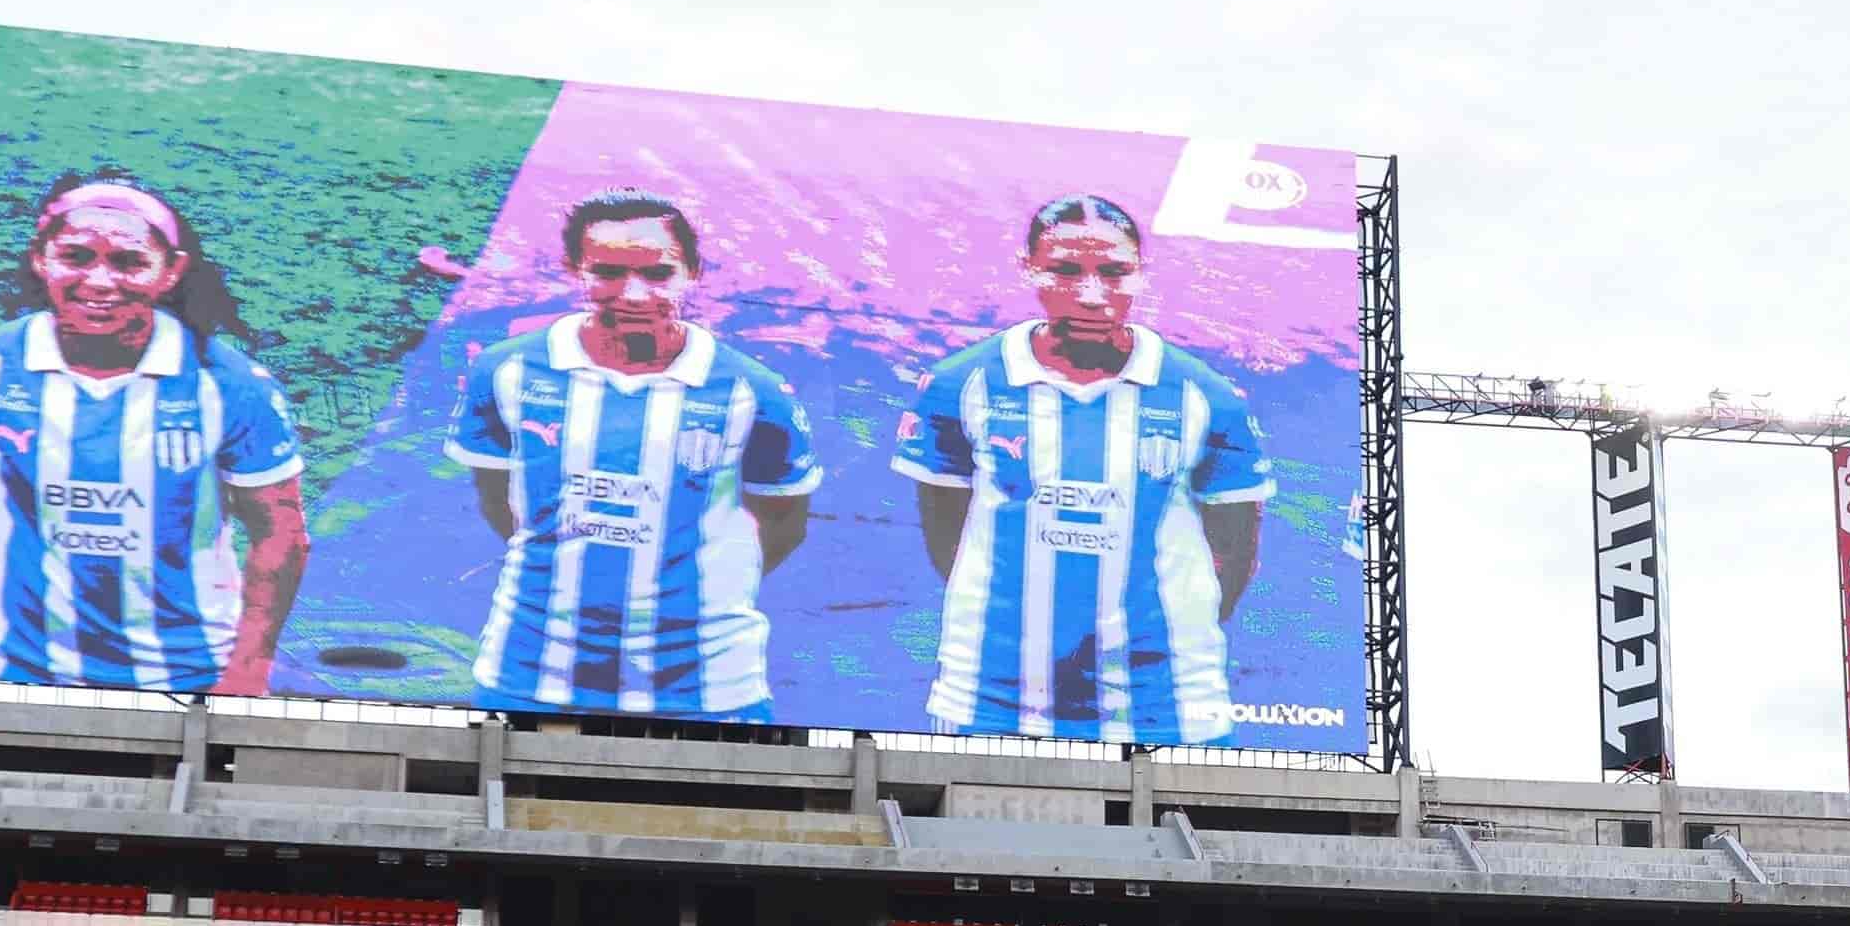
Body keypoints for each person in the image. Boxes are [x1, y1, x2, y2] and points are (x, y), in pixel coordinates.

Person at [893, 193, 1276, 747]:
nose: (1091, 295)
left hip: (1168, 703)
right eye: (1065, 271)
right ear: (1028, 268)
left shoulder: (1205, 396)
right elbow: (946, 536)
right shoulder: (963, 382)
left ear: (1142, 273)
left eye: (1115, 273)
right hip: (990, 697)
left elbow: (1235, 553)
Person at [448, 192, 821, 719]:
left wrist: (695, 592)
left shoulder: (752, 391)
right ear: (572, 269)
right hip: (528, 676)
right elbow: (501, 506)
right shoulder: (506, 372)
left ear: (692, 270)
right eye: (607, 271)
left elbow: (783, 526)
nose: (634, 294)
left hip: (708, 688)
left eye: (657, 273)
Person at [0, 170, 309, 695]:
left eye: (128, 262)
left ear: (170, 271)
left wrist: (247, 673)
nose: (99, 282)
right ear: (40, 258)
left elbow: (282, 535)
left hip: (182, 673)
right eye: (75, 257)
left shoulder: (229, 385)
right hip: (5, 666)